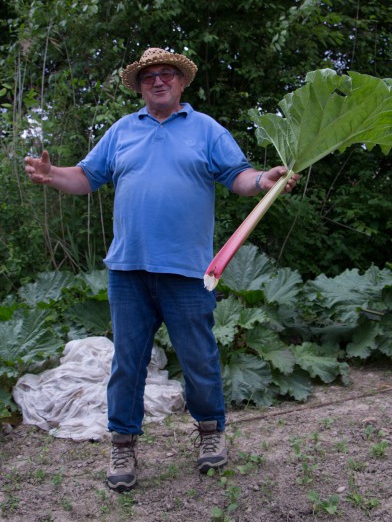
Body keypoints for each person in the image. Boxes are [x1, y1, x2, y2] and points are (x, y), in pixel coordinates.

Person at [24, 47, 298, 492]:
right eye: (149, 76)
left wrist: (263, 181)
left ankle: (210, 433)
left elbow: (238, 176)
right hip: (128, 269)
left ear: (181, 83)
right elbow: (87, 177)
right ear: (139, 86)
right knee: (127, 362)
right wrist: (53, 174)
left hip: (188, 271)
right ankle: (123, 443)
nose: (158, 81)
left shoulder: (206, 129)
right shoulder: (121, 131)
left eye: (167, 74)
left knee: (199, 357)